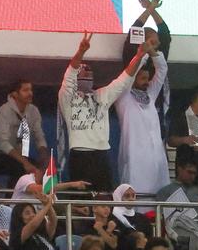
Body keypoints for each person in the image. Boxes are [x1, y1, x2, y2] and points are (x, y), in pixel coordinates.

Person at [59, 33, 148, 191]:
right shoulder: (67, 97)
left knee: (105, 198)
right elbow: (70, 73)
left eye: (90, 70)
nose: (87, 71)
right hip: (80, 154)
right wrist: (81, 51)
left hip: (102, 155)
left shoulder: (102, 94)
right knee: (82, 203)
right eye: (83, 70)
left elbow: (125, 77)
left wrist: (140, 55)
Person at [115, 43, 169, 194]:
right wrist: (143, 55)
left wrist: (151, 51)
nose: (147, 82)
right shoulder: (123, 97)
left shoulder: (150, 96)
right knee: (136, 199)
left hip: (157, 159)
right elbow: (129, 75)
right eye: (143, 78)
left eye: (148, 78)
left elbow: (162, 70)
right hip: (135, 159)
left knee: (159, 201)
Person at [0, 80, 46, 183]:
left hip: (15, 156)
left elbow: (39, 136)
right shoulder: (4, 110)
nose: (30, 93)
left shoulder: (34, 111)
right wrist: (26, 163)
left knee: (40, 170)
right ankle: (13, 198)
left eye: (31, 90)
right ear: (14, 94)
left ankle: (35, 197)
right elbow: (3, 143)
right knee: (20, 168)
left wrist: (44, 157)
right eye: (25, 90)